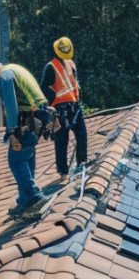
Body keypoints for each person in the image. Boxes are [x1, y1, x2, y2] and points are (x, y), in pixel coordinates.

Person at [0, 53, 52, 217]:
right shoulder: (14, 68)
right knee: (27, 157)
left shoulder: (4, 76)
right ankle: (25, 199)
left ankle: (33, 196)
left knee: (15, 159)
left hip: (26, 121)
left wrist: (12, 132)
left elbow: (11, 107)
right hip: (39, 118)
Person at [40, 37, 88, 177]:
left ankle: (82, 162)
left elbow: (74, 83)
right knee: (62, 140)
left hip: (74, 105)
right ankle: (63, 171)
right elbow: (43, 88)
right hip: (60, 108)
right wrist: (52, 103)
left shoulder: (70, 63)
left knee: (82, 135)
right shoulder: (50, 67)